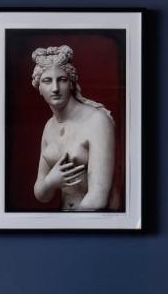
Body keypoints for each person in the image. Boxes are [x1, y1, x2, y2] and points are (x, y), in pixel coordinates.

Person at [30, 45, 117, 211]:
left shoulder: (97, 121)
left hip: (93, 220)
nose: (55, 88)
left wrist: (71, 224)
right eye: (47, 81)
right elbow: (42, 194)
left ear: (71, 83)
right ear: (39, 87)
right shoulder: (49, 126)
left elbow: (97, 198)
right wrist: (50, 182)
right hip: (67, 215)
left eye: (62, 80)